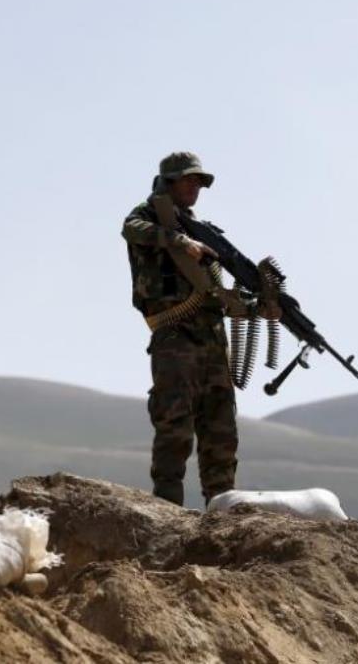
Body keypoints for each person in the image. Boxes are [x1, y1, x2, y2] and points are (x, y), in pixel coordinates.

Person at [121, 151, 276, 507]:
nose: (196, 188)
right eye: (189, 180)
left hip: (211, 341)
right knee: (174, 430)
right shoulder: (149, 219)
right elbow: (131, 229)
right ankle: (167, 510)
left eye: (199, 183)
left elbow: (216, 294)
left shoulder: (202, 231)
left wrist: (257, 306)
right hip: (175, 338)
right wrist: (180, 242)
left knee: (221, 433)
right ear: (170, 182)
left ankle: (222, 514)